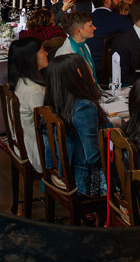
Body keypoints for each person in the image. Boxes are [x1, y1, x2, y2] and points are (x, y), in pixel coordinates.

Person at [44, 54, 108, 195]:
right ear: (80, 73)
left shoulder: (58, 101)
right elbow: (93, 156)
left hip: (65, 170)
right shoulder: (84, 107)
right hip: (88, 180)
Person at [7, 37, 48, 172]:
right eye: (43, 51)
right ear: (31, 57)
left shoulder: (20, 81)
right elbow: (47, 124)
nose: (46, 53)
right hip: (36, 150)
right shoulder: (34, 90)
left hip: (23, 143)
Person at [87, 0, 132, 80]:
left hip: (87, 69)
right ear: (107, 1)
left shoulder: (85, 20)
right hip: (113, 72)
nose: (119, 0)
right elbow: (135, 40)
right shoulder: (121, 20)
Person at [55, 12, 97, 81]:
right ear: (78, 31)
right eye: (90, 26)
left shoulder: (84, 45)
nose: (94, 28)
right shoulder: (65, 54)